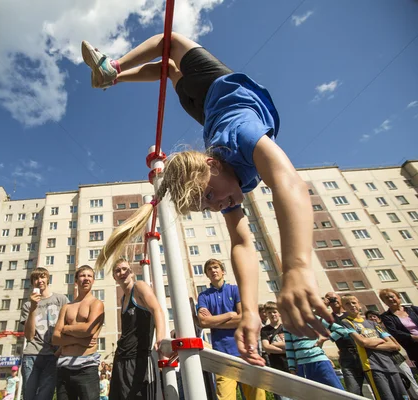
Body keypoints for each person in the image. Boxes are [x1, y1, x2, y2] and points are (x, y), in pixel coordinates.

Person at [85, 32, 332, 365]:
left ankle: (113, 69)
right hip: (199, 107)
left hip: (218, 88)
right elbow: (241, 242)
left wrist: (297, 267)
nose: (217, 204)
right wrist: (248, 310)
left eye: (209, 196)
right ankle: (111, 79)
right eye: (208, 205)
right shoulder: (226, 186)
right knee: (169, 69)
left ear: (211, 163)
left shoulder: (242, 134)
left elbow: (289, 182)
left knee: (170, 42)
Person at [196, 259, 264, 400]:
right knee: (225, 397)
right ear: (207, 275)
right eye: (209, 269)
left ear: (223, 271)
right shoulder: (203, 296)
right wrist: (229, 315)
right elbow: (203, 321)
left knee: (257, 395)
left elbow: (243, 318)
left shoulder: (235, 290)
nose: (213, 270)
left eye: (216, 267)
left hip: (246, 351)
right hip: (222, 354)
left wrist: (214, 322)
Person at [109, 259, 165, 400]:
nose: (122, 273)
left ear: (131, 272)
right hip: (121, 358)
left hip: (138, 358)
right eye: (117, 270)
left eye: (124, 269)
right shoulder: (123, 299)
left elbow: (157, 310)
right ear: (114, 277)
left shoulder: (139, 287)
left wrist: (160, 338)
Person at [340, 295, 409, 400]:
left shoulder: (372, 323)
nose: (352, 305)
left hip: (390, 364)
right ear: (343, 308)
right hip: (372, 366)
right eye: (347, 304)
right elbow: (362, 342)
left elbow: (394, 345)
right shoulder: (347, 322)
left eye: (354, 302)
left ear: (359, 304)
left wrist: (372, 342)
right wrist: (379, 341)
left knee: (403, 396)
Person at [52, 265, 104, 400]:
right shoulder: (66, 307)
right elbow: (56, 338)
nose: (86, 279)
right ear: (76, 280)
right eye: (82, 276)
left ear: (93, 281)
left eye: (89, 276)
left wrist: (66, 329)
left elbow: (89, 329)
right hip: (64, 366)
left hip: (86, 367)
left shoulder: (96, 304)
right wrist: (79, 339)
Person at [18, 267, 68, 400]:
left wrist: (61, 349)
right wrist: (33, 308)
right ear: (32, 282)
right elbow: (29, 336)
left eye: (42, 277)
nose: (39, 280)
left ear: (48, 279)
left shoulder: (61, 299)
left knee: (45, 396)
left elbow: (68, 326)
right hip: (32, 355)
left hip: (53, 355)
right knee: (29, 395)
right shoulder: (28, 305)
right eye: (36, 278)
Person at [284, 316, 348, 390]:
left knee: (337, 393)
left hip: (320, 362)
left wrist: (324, 339)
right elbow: (289, 348)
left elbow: (342, 330)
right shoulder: (287, 324)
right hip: (302, 366)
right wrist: (292, 369)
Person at [366, 309, 418, 400]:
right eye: (369, 317)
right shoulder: (369, 333)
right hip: (383, 361)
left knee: (410, 382)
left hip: (396, 358)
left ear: (379, 319)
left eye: (374, 316)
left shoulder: (386, 329)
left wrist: (374, 345)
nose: (372, 318)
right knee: (398, 386)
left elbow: (396, 346)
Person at [324, 292, 364, 395]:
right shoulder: (329, 318)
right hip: (346, 354)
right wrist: (324, 305)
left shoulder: (350, 313)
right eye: (329, 299)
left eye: (335, 297)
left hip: (362, 351)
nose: (333, 299)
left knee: (376, 384)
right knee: (353, 390)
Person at [379, 289, 418, 366]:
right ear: (384, 302)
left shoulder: (413, 309)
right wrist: (414, 337)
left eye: (391, 296)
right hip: (414, 348)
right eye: (386, 298)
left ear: (398, 297)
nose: (390, 299)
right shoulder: (386, 317)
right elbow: (395, 332)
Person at [260, 302, 290, 400]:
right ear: (266, 315)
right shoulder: (265, 330)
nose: (273, 314)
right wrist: (286, 349)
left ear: (279, 313)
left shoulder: (287, 327)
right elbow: (266, 347)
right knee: (283, 396)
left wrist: (274, 344)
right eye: (269, 313)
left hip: (292, 365)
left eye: (274, 312)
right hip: (277, 366)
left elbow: (292, 345)